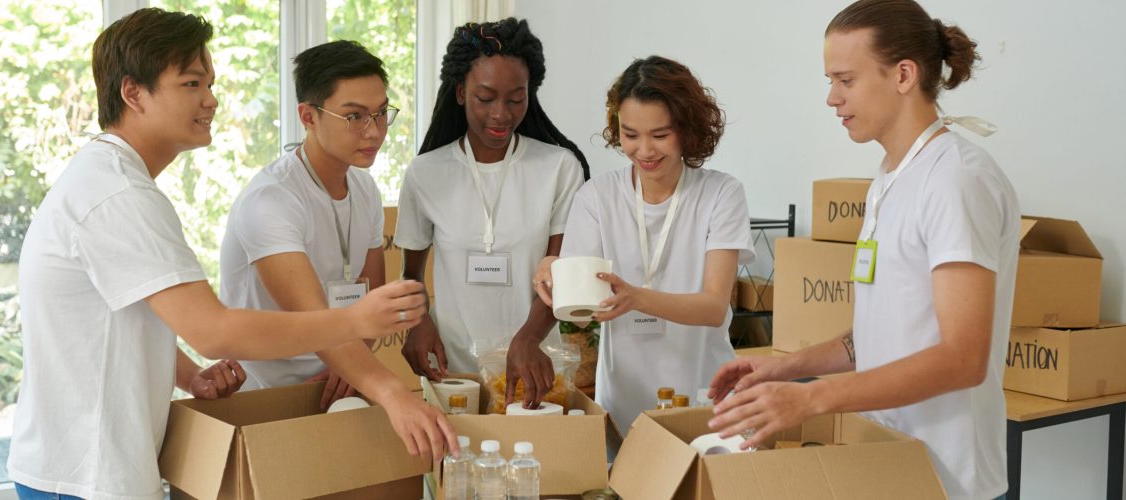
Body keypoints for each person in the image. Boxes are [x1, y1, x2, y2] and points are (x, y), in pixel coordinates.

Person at [9, 9, 443, 500]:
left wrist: (190, 375)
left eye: (210, 83)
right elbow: (212, 331)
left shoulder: (115, 182)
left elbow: (126, 313)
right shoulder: (119, 195)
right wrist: (356, 326)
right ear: (133, 93)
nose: (211, 100)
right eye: (192, 83)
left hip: (92, 466)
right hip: (84, 475)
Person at [707, 1, 1018, 499]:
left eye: (845, 80)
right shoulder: (890, 179)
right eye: (830, 81)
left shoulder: (955, 180)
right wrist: (784, 368)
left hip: (950, 478)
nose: (832, 98)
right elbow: (880, 335)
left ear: (903, 75)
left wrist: (813, 398)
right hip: (889, 459)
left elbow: (963, 358)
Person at [219, 38, 456, 444]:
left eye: (381, 114)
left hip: (338, 384)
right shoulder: (271, 201)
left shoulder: (364, 189)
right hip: (265, 398)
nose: (374, 131)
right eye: (354, 116)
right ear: (308, 116)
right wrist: (390, 392)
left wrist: (349, 367)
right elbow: (310, 317)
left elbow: (370, 301)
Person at [533, 56, 755, 427]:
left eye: (660, 135)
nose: (645, 150)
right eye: (631, 134)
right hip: (623, 405)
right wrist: (554, 273)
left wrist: (636, 298)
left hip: (704, 400)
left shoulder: (721, 193)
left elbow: (714, 308)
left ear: (687, 128)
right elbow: (581, 313)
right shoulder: (597, 197)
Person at [395, 18, 589, 408]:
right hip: (454, 374)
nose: (501, 114)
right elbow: (411, 274)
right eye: (485, 98)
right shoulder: (425, 173)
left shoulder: (559, 167)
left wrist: (528, 339)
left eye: (516, 99)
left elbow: (561, 273)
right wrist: (418, 322)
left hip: (534, 369)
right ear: (461, 92)